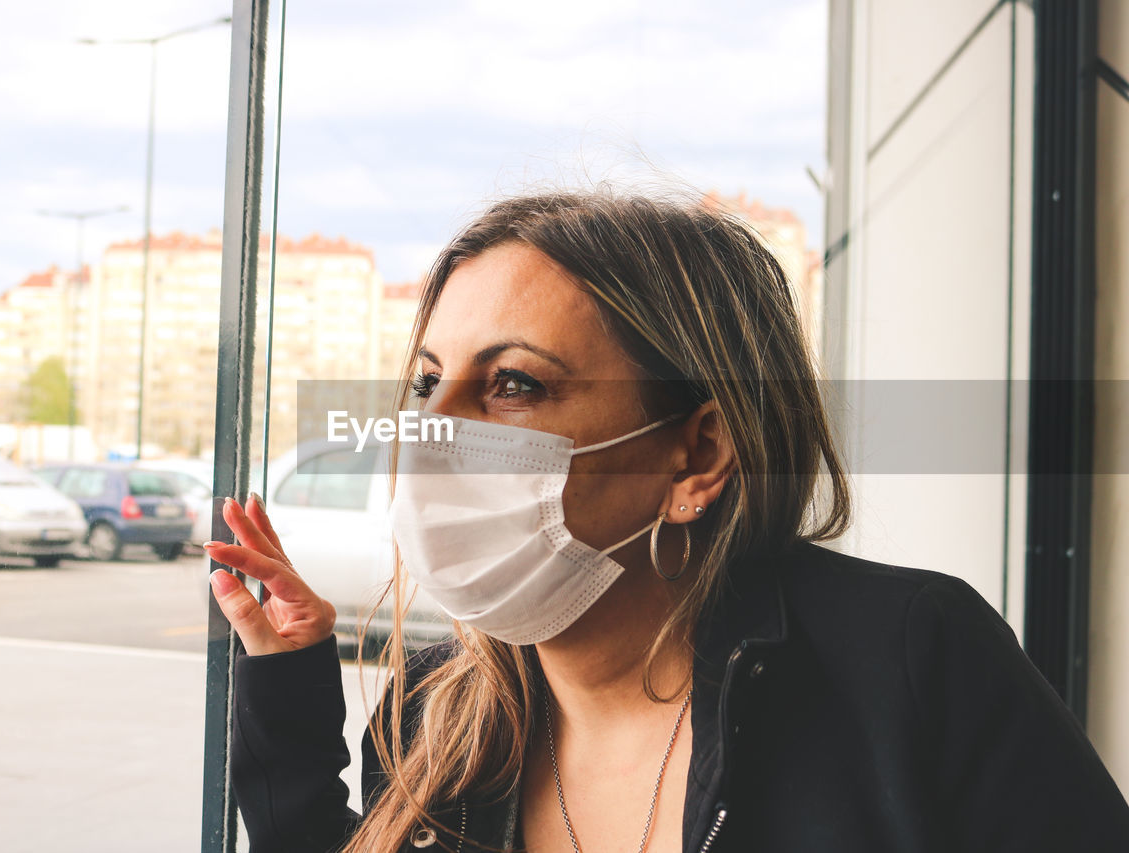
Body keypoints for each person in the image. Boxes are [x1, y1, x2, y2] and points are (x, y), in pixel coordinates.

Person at [205, 190, 1129, 853]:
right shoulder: (432, 714)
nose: (429, 432)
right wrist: (288, 690)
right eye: (425, 383)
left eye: (514, 384)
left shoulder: (911, 663)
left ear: (697, 456)